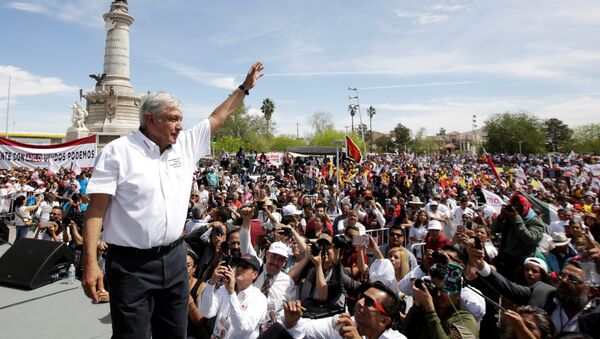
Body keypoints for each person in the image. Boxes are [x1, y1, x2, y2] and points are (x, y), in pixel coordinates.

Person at [82, 62, 264, 339]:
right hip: (131, 266)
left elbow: (219, 116)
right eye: (174, 119)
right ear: (151, 119)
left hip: (175, 258)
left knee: (174, 332)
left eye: (181, 119)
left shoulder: (185, 145)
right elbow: (95, 211)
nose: (181, 126)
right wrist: (91, 262)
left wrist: (244, 88)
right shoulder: (118, 152)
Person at [282, 281, 407, 339]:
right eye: (361, 297)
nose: (360, 303)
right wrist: (292, 321)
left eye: (369, 302)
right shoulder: (343, 323)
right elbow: (307, 329)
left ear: (384, 320)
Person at [199, 254, 267, 339]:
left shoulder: (259, 299)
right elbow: (206, 312)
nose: (240, 268)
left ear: (255, 275)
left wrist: (231, 293)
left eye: (245, 266)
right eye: (239, 265)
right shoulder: (224, 288)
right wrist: (212, 282)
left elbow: (242, 327)